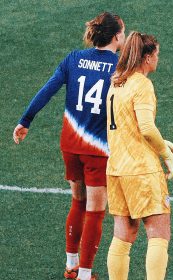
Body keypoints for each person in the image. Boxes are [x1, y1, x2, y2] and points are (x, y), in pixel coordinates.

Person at [12, 12, 125, 280]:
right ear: (117, 36)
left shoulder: (73, 59)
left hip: (70, 145)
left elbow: (48, 89)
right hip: (98, 150)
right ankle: (85, 274)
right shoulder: (120, 67)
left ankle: (71, 265)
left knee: (77, 202)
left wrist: (25, 120)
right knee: (96, 213)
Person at [105, 31, 173, 280]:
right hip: (141, 169)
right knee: (159, 233)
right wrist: (165, 152)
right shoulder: (142, 84)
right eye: (156, 54)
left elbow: (129, 126)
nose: (158, 59)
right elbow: (146, 128)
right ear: (147, 57)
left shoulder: (117, 83)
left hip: (116, 168)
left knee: (123, 235)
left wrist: (161, 139)